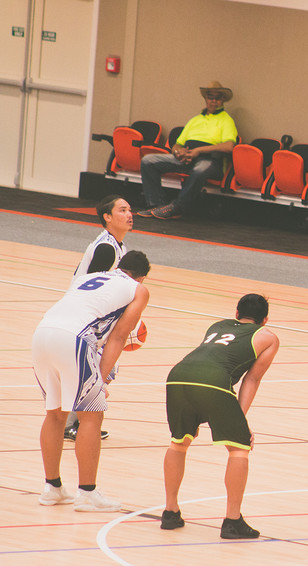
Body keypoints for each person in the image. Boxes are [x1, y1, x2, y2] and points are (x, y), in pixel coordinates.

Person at [33, 251, 150, 511]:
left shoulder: (92, 276)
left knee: (54, 414)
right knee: (92, 415)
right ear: (141, 277)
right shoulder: (138, 290)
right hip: (74, 339)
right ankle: (87, 493)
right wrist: (102, 380)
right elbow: (119, 337)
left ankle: (52, 488)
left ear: (120, 266)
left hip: (42, 333)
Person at [160, 294, 279, 538]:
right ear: (265, 320)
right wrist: (240, 421)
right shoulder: (268, 337)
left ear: (236, 314)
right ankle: (232, 521)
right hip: (212, 380)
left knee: (179, 443)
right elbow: (252, 379)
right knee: (238, 447)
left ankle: (170, 512)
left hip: (178, 375)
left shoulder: (216, 326)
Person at [65, 194, 134, 442]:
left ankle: (74, 423)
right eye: (123, 210)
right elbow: (94, 289)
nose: (129, 214)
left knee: (100, 371)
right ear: (107, 217)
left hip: (89, 318)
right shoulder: (106, 248)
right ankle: (72, 424)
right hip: (86, 319)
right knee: (96, 370)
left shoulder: (116, 245)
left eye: (130, 210)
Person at [138, 81, 238, 220]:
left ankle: (177, 207)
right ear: (205, 99)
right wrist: (178, 152)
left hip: (211, 161)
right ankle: (156, 205)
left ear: (222, 101)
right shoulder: (195, 120)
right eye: (210, 97)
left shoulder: (226, 120)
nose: (213, 101)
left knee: (200, 169)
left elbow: (229, 146)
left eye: (218, 98)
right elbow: (177, 144)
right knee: (148, 161)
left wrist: (199, 150)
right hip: (186, 158)